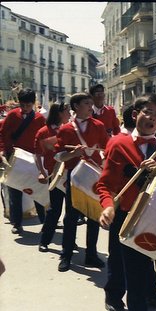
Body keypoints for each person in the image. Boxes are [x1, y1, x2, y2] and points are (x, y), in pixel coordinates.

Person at [98, 94, 156, 311]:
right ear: (135, 114)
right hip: (129, 220)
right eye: (148, 112)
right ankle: (117, 297)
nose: (153, 118)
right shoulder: (118, 144)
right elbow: (105, 184)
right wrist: (107, 206)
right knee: (133, 278)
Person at [54, 92, 109, 272]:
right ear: (76, 106)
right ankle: (66, 255)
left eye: (91, 103)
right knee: (71, 216)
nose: (90, 107)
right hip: (75, 177)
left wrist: (101, 156)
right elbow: (58, 155)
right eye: (87, 103)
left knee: (94, 216)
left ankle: (91, 255)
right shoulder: (66, 129)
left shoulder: (99, 126)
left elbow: (107, 149)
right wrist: (73, 154)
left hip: (94, 175)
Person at [0, 88, 46, 234]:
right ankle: (17, 222)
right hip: (14, 157)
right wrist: (2, 151)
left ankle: (45, 221)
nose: (26, 108)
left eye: (29, 105)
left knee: (38, 189)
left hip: (32, 159)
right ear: (19, 103)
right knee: (15, 190)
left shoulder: (39, 118)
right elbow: (2, 134)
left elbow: (43, 139)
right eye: (23, 105)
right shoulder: (13, 115)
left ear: (33, 103)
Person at [36, 102, 71, 252]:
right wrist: (42, 172)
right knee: (54, 210)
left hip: (71, 174)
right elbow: (38, 155)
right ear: (59, 113)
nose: (70, 114)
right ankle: (44, 240)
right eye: (67, 111)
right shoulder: (43, 132)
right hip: (55, 174)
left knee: (71, 212)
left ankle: (69, 242)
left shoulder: (70, 129)